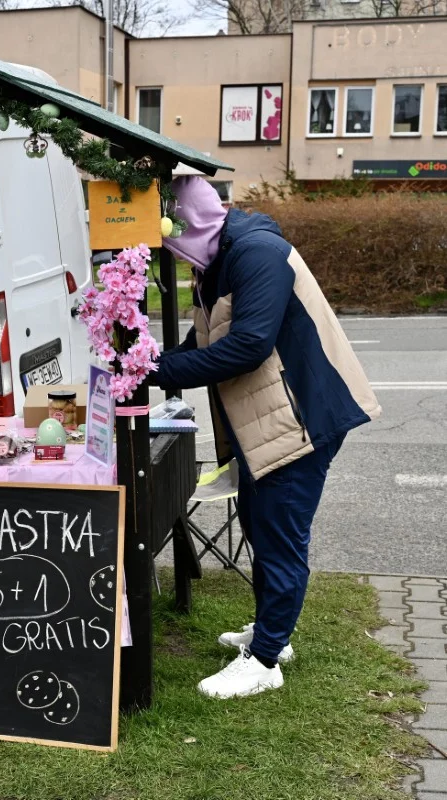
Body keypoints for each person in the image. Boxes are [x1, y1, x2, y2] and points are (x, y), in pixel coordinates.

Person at [153, 176, 380, 699]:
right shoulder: (215, 263)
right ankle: (273, 632)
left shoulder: (256, 254)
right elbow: (205, 338)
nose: (171, 255)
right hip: (268, 421)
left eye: (170, 241)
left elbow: (249, 346)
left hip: (302, 417)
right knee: (259, 523)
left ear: (190, 226)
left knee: (279, 535)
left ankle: (265, 660)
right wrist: (154, 361)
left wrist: (157, 371)